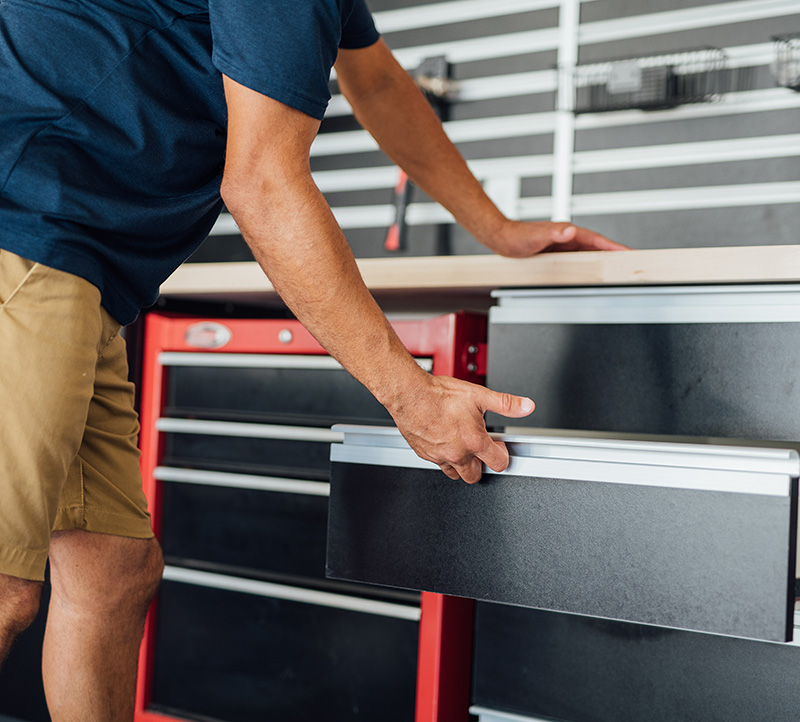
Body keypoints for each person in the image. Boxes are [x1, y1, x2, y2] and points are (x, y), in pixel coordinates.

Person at [0, 0, 626, 718]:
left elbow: (378, 81)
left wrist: (497, 228)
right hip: (25, 236)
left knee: (112, 572)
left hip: (75, 265)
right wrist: (412, 398)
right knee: (5, 592)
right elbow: (262, 184)